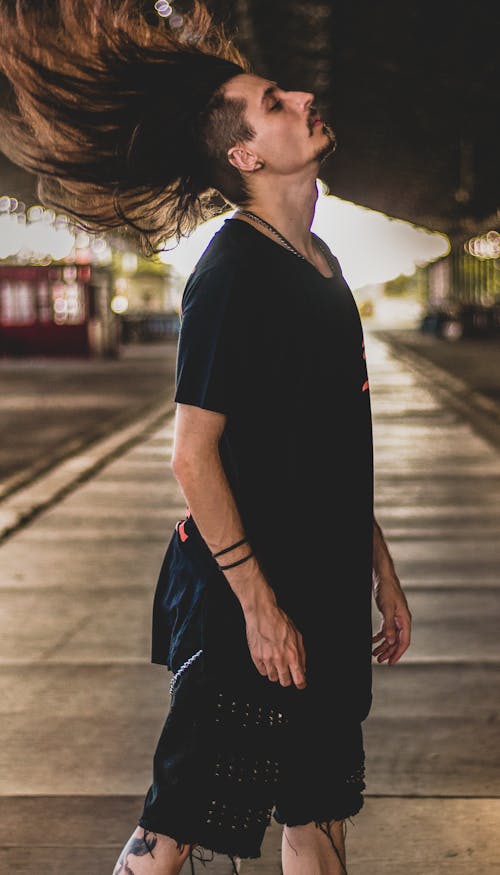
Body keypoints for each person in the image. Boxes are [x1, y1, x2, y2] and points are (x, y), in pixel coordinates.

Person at [0, 2, 412, 872]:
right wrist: (259, 607)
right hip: (243, 602)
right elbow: (192, 454)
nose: (300, 95)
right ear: (246, 156)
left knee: (319, 812)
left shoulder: (326, 269)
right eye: (273, 102)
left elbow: (335, 443)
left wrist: (378, 566)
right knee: (173, 828)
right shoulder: (232, 273)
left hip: (327, 592)